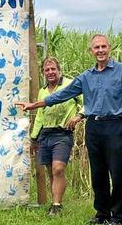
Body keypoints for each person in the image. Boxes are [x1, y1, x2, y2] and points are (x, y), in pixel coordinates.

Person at [17, 34, 122, 225]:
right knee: (97, 172)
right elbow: (62, 95)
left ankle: (118, 217)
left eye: (103, 47)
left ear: (110, 48)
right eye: (96, 48)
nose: (100, 51)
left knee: (116, 172)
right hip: (93, 127)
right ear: (91, 51)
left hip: (114, 126)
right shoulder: (86, 77)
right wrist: (34, 105)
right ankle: (102, 214)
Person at [30, 57, 84, 216]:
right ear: (43, 73)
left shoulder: (70, 85)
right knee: (50, 170)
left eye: (53, 69)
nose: (50, 72)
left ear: (59, 71)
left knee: (58, 168)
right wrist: (34, 138)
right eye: (46, 70)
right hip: (46, 134)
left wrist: (79, 116)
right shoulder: (42, 91)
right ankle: (55, 204)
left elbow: (86, 101)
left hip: (63, 133)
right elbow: (40, 116)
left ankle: (57, 204)